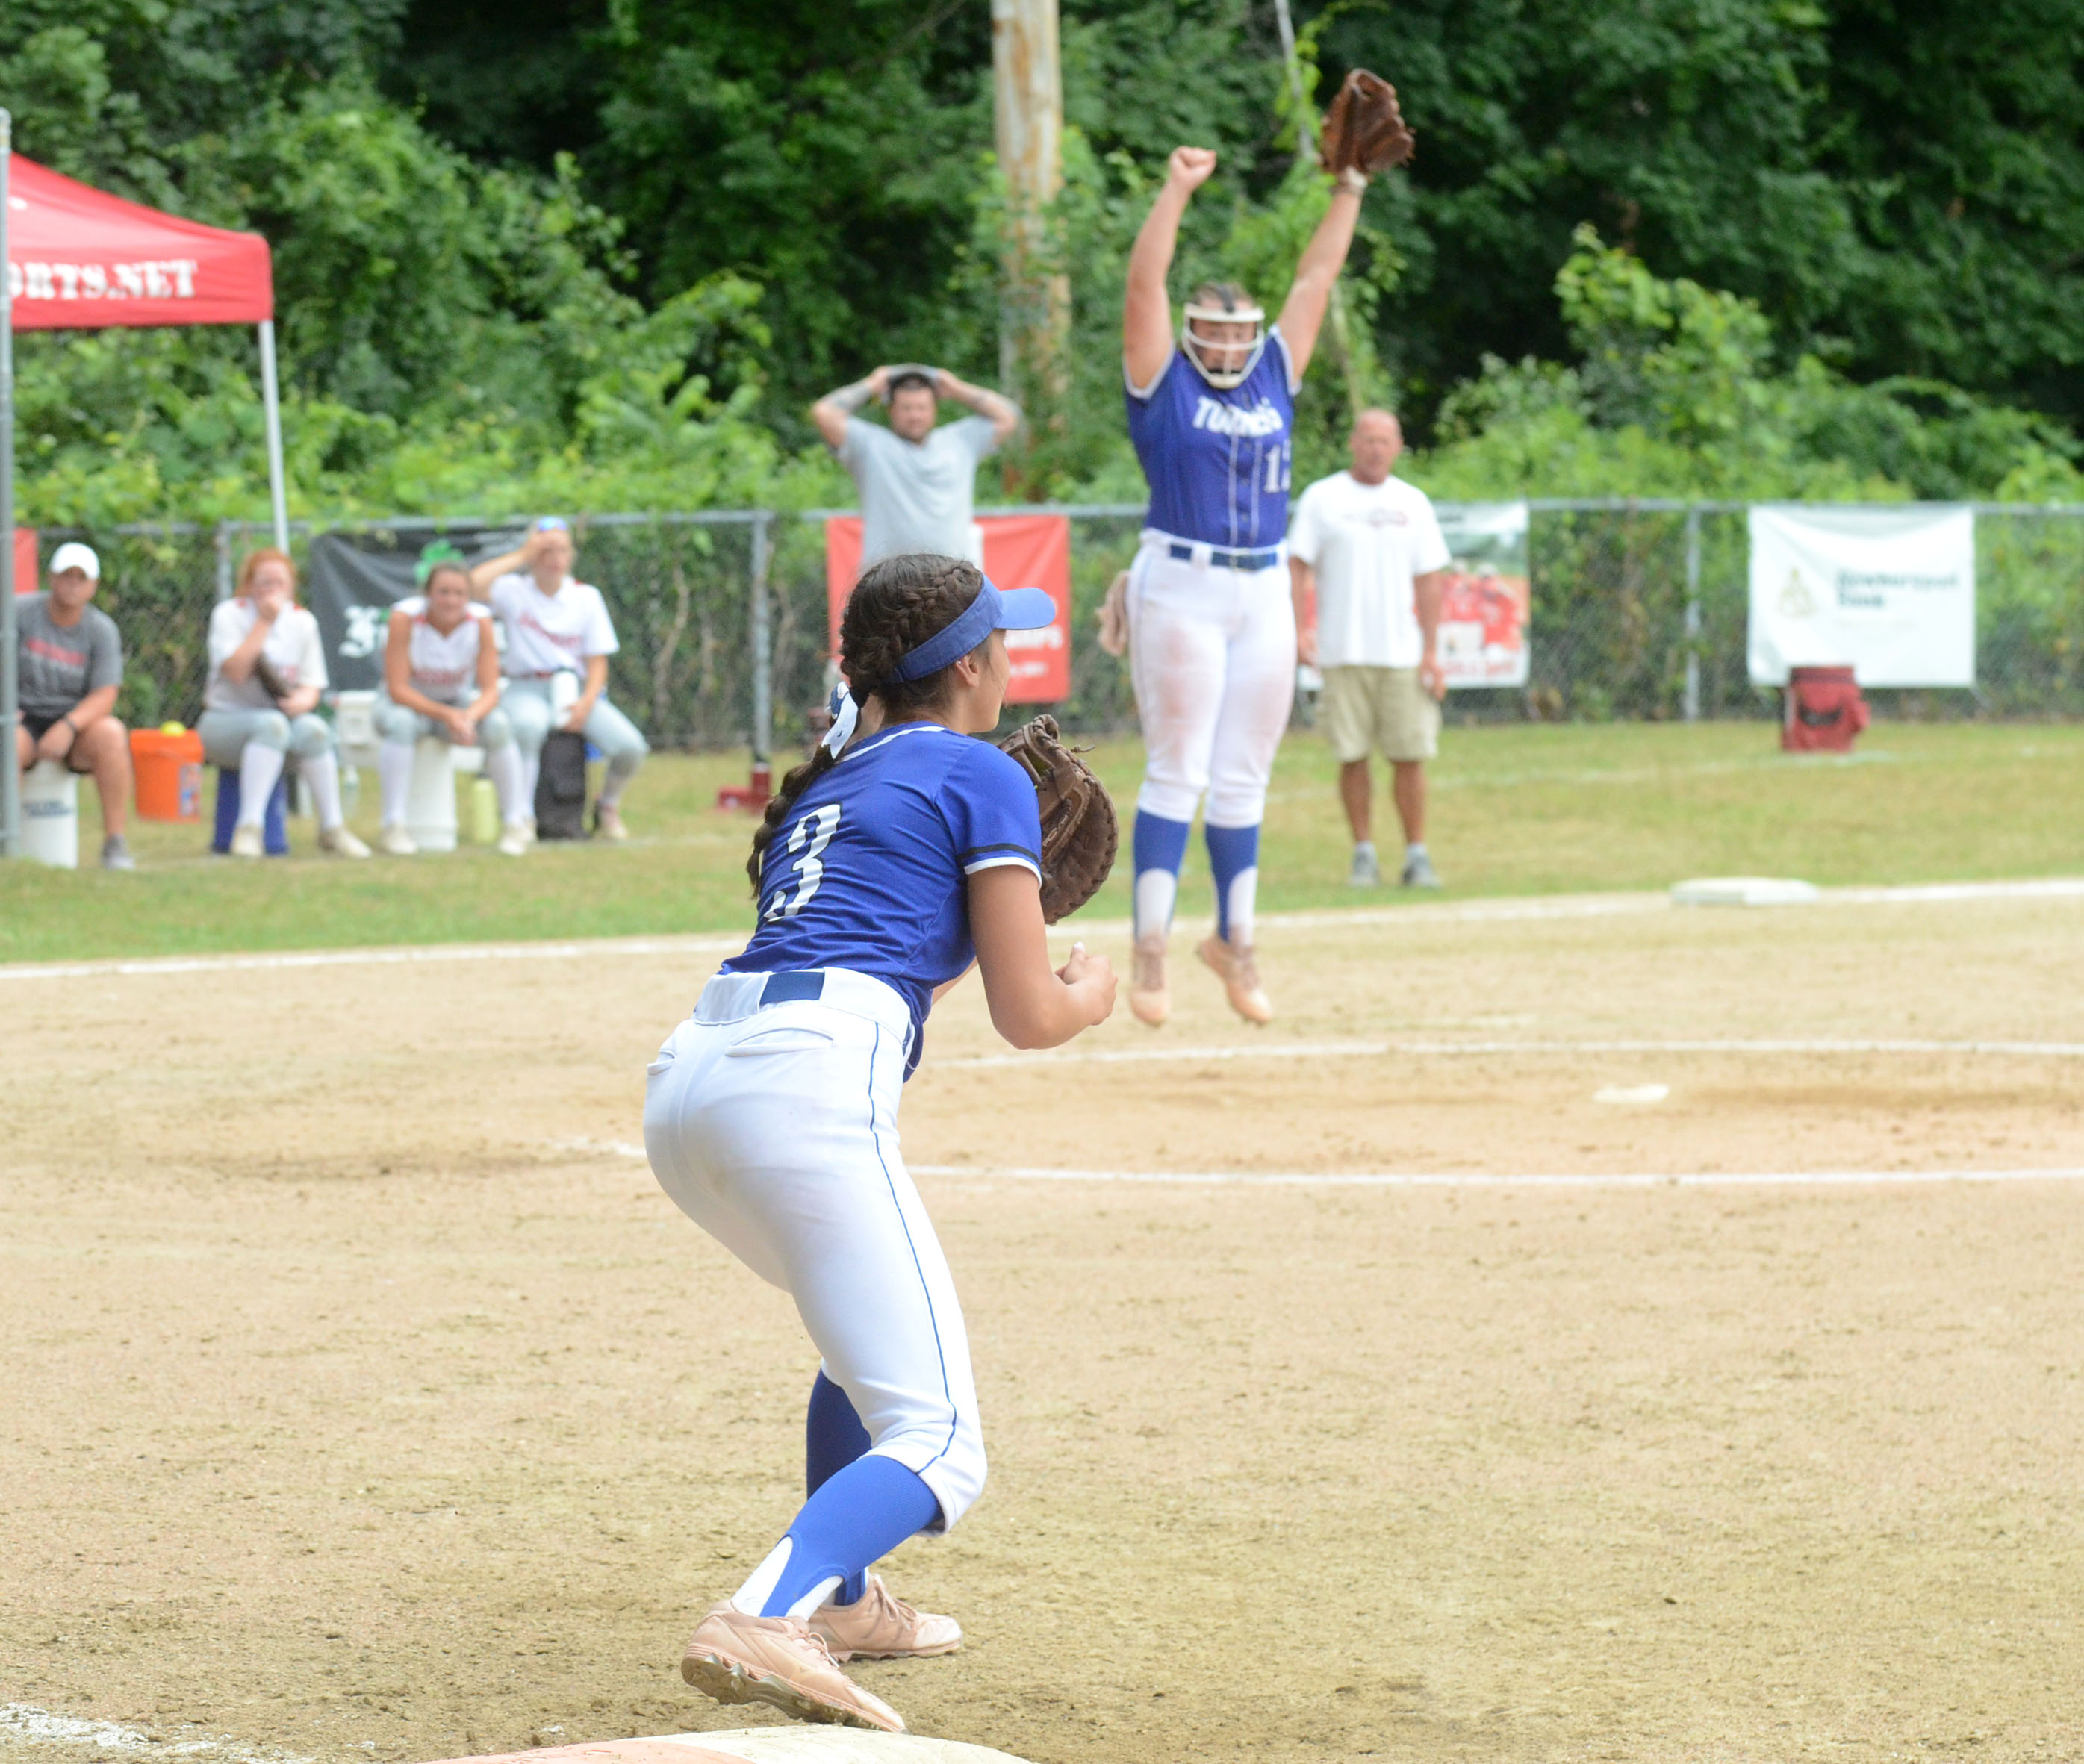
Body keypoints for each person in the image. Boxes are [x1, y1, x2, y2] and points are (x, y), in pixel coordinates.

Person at [647, 553, 1116, 1734]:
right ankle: (765, 1611)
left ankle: (846, 1595)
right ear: (967, 665)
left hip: (696, 1079)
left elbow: (899, 963)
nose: (1008, 657)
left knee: (866, 1345)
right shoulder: (976, 772)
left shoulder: (837, 776)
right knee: (944, 1440)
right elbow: (1030, 1014)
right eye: (999, 640)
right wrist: (1090, 986)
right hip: (800, 1086)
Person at [1117, 143, 1372, 1027]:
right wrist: (1176, 187)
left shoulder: (1272, 368)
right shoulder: (1164, 380)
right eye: (1213, 330)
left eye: (1237, 330)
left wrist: (1350, 189)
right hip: (1180, 580)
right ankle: (1151, 945)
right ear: (1193, 334)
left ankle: (1236, 938)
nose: (1227, 342)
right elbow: (1143, 287)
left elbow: (1315, 280)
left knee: (1242, 778)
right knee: (1177, 768)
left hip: (1262, 585)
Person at [1289, 408, 1452, 888]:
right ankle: (1363, 853)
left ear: (1398, 446)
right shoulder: (1323, 498)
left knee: (1410, 755)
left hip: (1401, 654)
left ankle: (1416, 854)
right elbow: (1298, 567)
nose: (1377, 448)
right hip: (1341, 654)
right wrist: (1301, 630)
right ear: (1353, 443)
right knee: (1351, 755)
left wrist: (1430, 652)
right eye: (1369, 439)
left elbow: (1429, 580)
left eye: (1386, 440)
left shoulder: (1413, 503)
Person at [468, 517, 649, 841]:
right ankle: (520, 817)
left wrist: (586, 702)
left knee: (630, 747)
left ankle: (607, 806)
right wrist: (522, 556)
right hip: (526, 685)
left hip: (573, 688)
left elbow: (597, 662)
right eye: (546, 550)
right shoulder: (513, 590)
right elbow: (470, 585)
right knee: (527, 728)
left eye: (561, 550)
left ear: (571, 555)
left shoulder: (585, 597)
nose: (554, 558)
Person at [199, 549, 370, 860]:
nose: (271, 589)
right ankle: (249, 829)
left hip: (280, 726)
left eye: (279, 582)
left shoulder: (302, 621)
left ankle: (332, 829)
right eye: (263, 581)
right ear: (248, 584)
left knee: (316, 730)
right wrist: (264, 622)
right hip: (225, 723)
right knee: (271, 725)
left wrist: (301, 701)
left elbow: (312, 685)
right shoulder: (229, 614)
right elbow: (236, 671)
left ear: (292, 585)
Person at [374, 553, 529, 857]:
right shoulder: (404, 619)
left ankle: (515, 823)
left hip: (455, 706)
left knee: (498, 725)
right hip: (409, 707)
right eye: (443, 592)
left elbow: (489, 690)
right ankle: (394, 825)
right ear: (428, 594)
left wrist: (468, 717)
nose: (451, 601)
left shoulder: (480, 622)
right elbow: (398, 689)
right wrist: (449, 716)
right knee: (402, 724)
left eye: (459, 593)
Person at [812, 366, 1021, 570]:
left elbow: (1009, 416)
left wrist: (956, 388)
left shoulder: (961, 440)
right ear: (891, 410)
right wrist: (872, 384)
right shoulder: (870, 446)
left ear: (934, 410)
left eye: (922, 408)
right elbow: (824, 412)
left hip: (952, 578)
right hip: (887, 581)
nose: (915, 416)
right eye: (907, 408)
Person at [13, 541, 134, 870]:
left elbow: (106, 693)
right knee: (7, 743)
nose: (74, 584)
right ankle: (7, 843)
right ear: (51, 577)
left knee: (112, 733)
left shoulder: (101, 630)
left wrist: (68, 727)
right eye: (67, 575)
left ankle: (115, 844)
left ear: (93, 586)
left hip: (73, 725)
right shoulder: (19, 612)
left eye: (82, 578)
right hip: (21, 718)